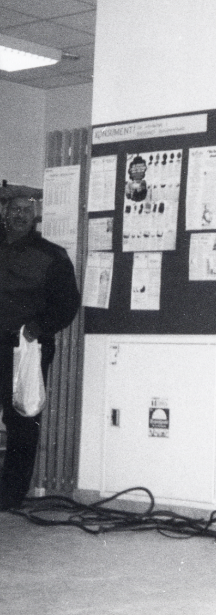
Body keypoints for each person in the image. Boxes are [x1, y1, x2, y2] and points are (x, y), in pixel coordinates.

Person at [1, 192, 80, 510]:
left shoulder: (52, 255)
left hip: (26, 348)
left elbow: (68, 303)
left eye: (27, 210)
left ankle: (10, 495)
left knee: (21, 418)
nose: (20, 214)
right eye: (14, 209)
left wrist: (40, 326)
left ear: (35, 217)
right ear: (5, 212)